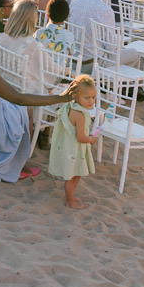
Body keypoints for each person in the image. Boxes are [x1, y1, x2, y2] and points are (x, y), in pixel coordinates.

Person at [0, 14, 79, 183]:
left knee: (15, 107)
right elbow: (19, 99)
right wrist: (60, 98)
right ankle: (18, 165)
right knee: (26, 110)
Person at [47, 74, 99, 208]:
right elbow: (81, 137)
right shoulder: (80, 115)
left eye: (93, 98)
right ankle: (70, 201)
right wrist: (91, 139)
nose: (91, 101)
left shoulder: (70, 107)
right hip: (74, 150)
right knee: (73, 175)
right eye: (87, 98)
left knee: (75, 174)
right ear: (76, 96)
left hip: (68, 147)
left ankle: (71, 197)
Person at [68, 0, 116, 69]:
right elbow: (110, 48)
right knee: (133, 54)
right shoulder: (106, 10)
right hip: (93, 64)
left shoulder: (74, 3)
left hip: (73, 58)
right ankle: (111, 82)